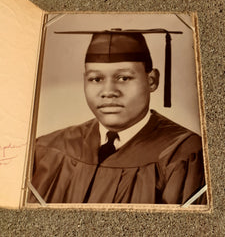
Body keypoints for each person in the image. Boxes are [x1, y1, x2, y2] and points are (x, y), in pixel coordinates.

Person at [28, 31, 206, 204]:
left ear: (151, 80)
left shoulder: (184, 154)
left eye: (123, 78)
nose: (108, 92)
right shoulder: (46, 149)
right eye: (96, 79)